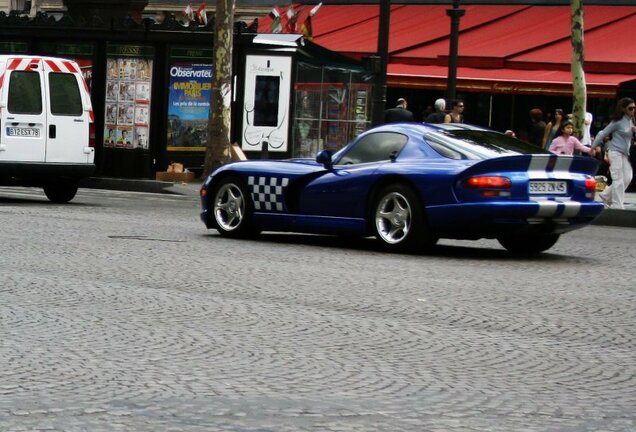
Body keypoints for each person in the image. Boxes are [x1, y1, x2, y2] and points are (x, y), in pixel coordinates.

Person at [592, 97, 636, 209]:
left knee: (628, 177)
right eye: (630, 108)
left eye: (634, 108)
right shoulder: (617, 122)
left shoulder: (631, 120)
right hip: (615, 152)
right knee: (618, 179)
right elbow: (602, 133)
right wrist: (593, 146)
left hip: (625, 153)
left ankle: (605, 195)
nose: (633, 110)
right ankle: (618, 205)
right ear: (623, 109)